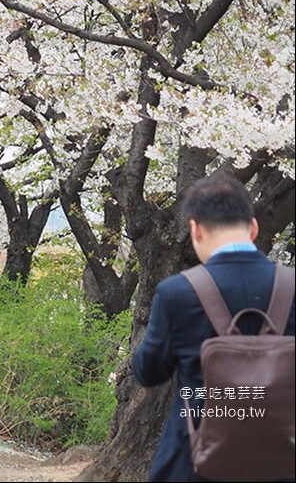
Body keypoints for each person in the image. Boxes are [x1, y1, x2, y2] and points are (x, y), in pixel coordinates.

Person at [132, 174, 296, 482]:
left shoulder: (177, 292)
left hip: (193, 462)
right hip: (280, 465)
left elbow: (149, 372)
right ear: (253, 227)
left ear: (195, 229)